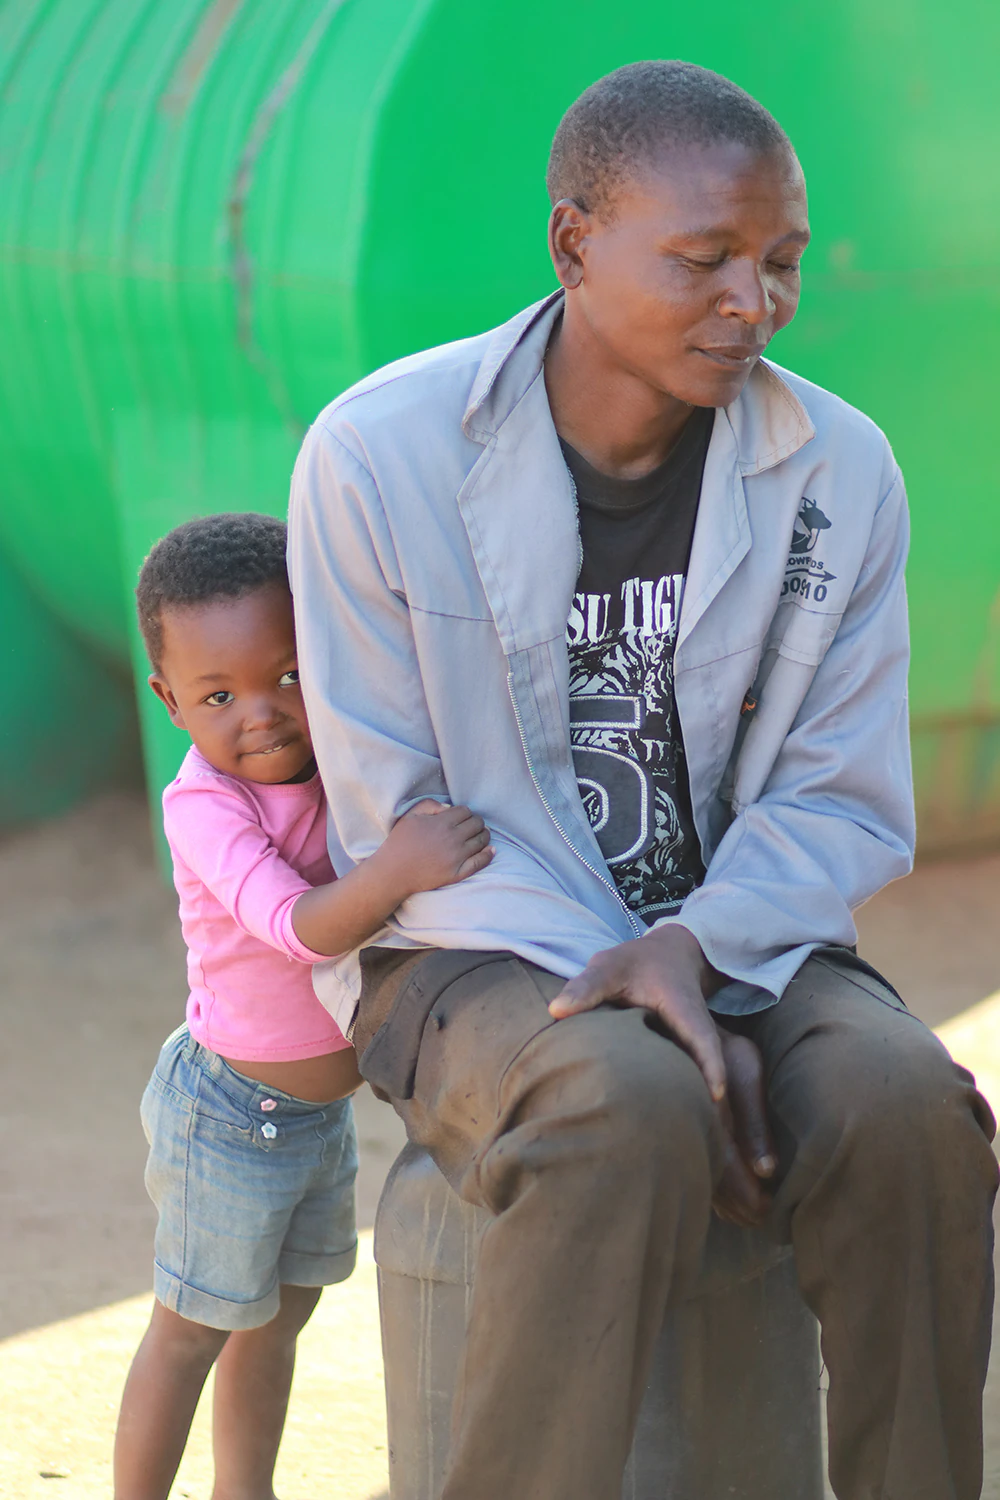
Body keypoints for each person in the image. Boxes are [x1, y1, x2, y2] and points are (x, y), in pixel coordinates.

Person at [288, 62, 999, 1500]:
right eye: (704, 261)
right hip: (474, 948)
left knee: (912, 1107)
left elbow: (837, 800)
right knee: (621, 1103)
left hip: (742, 936)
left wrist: (692, 951)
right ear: (572, 244)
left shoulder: (838, 473)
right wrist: (635, 984)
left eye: (782, 260)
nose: (756, 301)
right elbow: (399, 819)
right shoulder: (380, 456)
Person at [113, 513, 493, 1500]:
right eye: (219, 694)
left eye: (288, 675)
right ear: (171, 703)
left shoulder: (345, 765)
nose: (264, 713)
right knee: (192, 1327)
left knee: (277, 1321)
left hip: (316, 1120)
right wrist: (407, 863)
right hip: (229, 1116)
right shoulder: (201, 808)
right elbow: (296, 926)